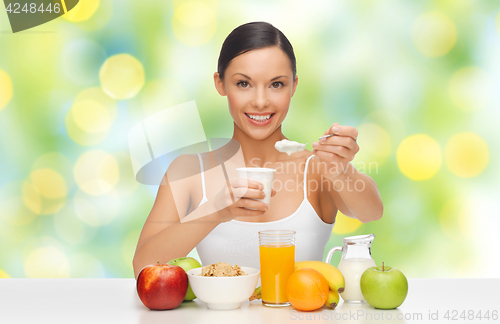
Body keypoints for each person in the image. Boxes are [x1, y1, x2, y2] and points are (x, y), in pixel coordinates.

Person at [133, 21, 383, 279]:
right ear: (220, 84)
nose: (261, 102)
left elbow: (371, 212)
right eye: (243, 84)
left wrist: (340, 169)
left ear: (294, 86)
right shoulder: (189, 171)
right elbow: (143, 264)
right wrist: (217, 211)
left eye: (276, 84)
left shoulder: (317, 168)